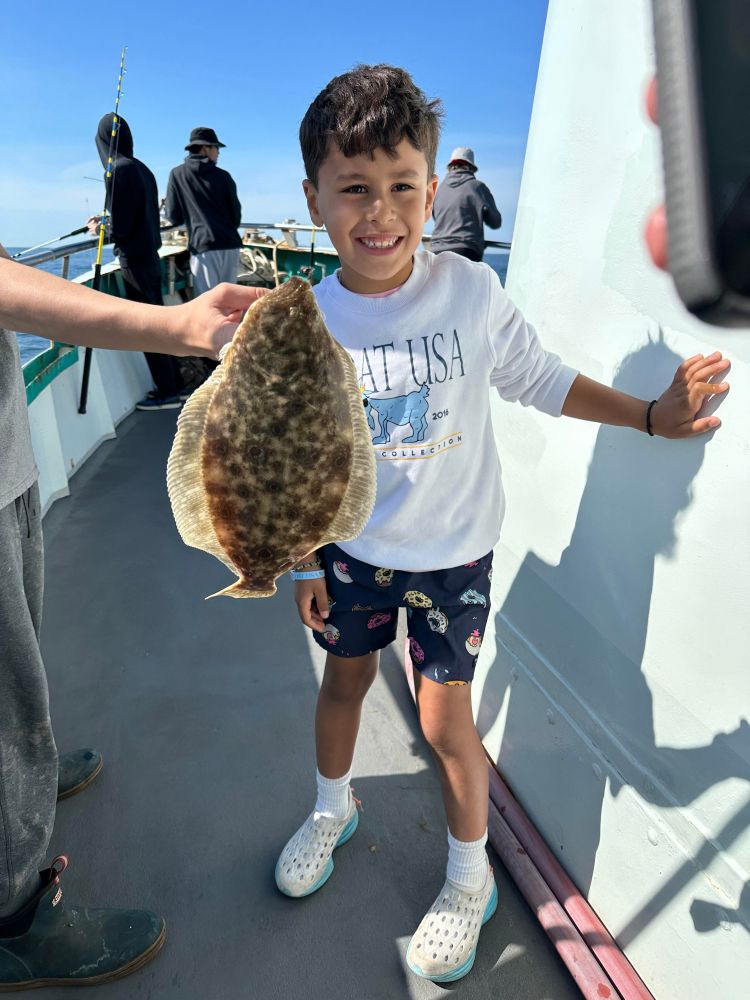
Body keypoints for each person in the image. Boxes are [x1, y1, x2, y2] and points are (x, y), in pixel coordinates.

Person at [275, 64, 729, 985]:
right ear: (314, 199)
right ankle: (332, 807)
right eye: (354, 189)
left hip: (451, 562)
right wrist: (302, 564)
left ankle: (468, 876)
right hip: (353, 553)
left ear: (433, 190)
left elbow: (542, 380)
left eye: (403, 186)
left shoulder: (471, 294)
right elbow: (299, 453)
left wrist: (650, 415)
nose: (381, 212)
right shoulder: (307, 317)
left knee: (447, 725)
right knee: (341, 690)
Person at [0, 244, 266, 990]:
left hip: (6, 462)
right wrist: (178, 327)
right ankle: (14, 923)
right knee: (2, 689)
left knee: (17, 673)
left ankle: (20, 778)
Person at [88, 113, 184, 411]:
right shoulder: (142, 169)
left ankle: (167, 392)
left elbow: (123, 226)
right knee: (158, 324)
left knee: (146, 329)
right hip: (151, 258)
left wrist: (100, 227)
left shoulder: (116, 170)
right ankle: (176, 383)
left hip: (134, 262)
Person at [163, 127, 243, 296]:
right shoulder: (224, 176)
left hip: (203, 247)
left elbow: (173, 216)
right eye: (217, 148)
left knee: (208, 303)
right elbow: (236, 215)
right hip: (230, 244)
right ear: (205, 148)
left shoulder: (177, 174)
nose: (219, 153)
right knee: (230, 302)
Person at [429, 146, 502, 262]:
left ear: (450, 167)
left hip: (437, 252)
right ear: (471, 167)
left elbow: (435, 216)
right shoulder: (477, 187)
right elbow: (496, 222)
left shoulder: (440, 189)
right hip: (466, 250)